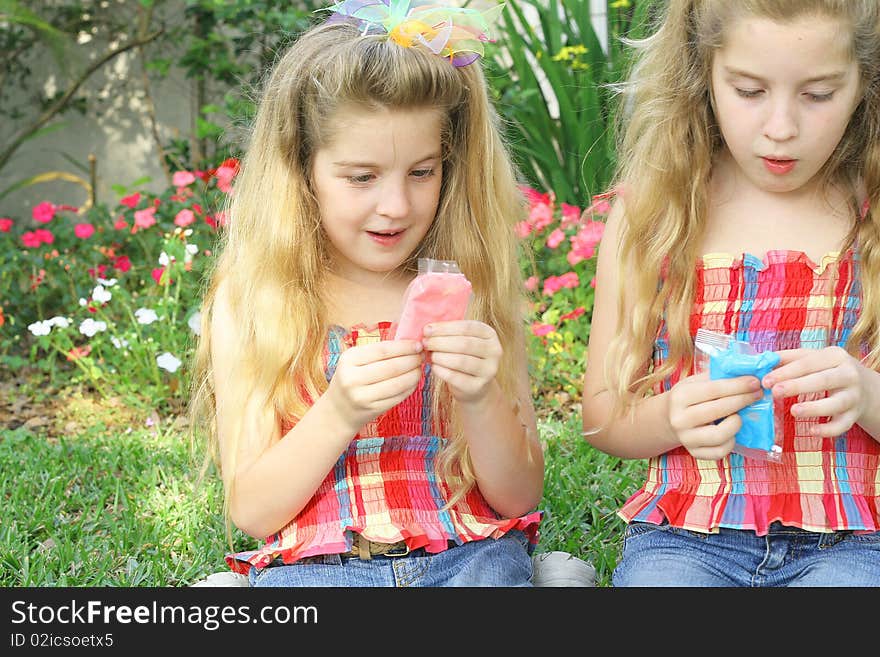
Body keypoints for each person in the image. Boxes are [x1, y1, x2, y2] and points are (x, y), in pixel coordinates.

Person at [188, 0, 547, 587]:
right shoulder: (263, 302)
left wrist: (481, 397)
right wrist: (339, 410)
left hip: (467, 558)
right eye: (361, 177)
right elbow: (254, 512)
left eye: (422, 172)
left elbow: (518, 497)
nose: (396, 206)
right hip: (318, 569)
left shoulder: (467, 292)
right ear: (301, 167)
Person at [582, 0, 880, 587]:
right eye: (748, 90)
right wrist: (669, 416)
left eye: (818, 94)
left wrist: (867, 395)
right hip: (689, 533)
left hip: (854, 540)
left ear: (865, 81)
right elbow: (602, 419)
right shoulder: (655, 214)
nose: (781, 127)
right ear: (702, 70)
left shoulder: (870, 214)